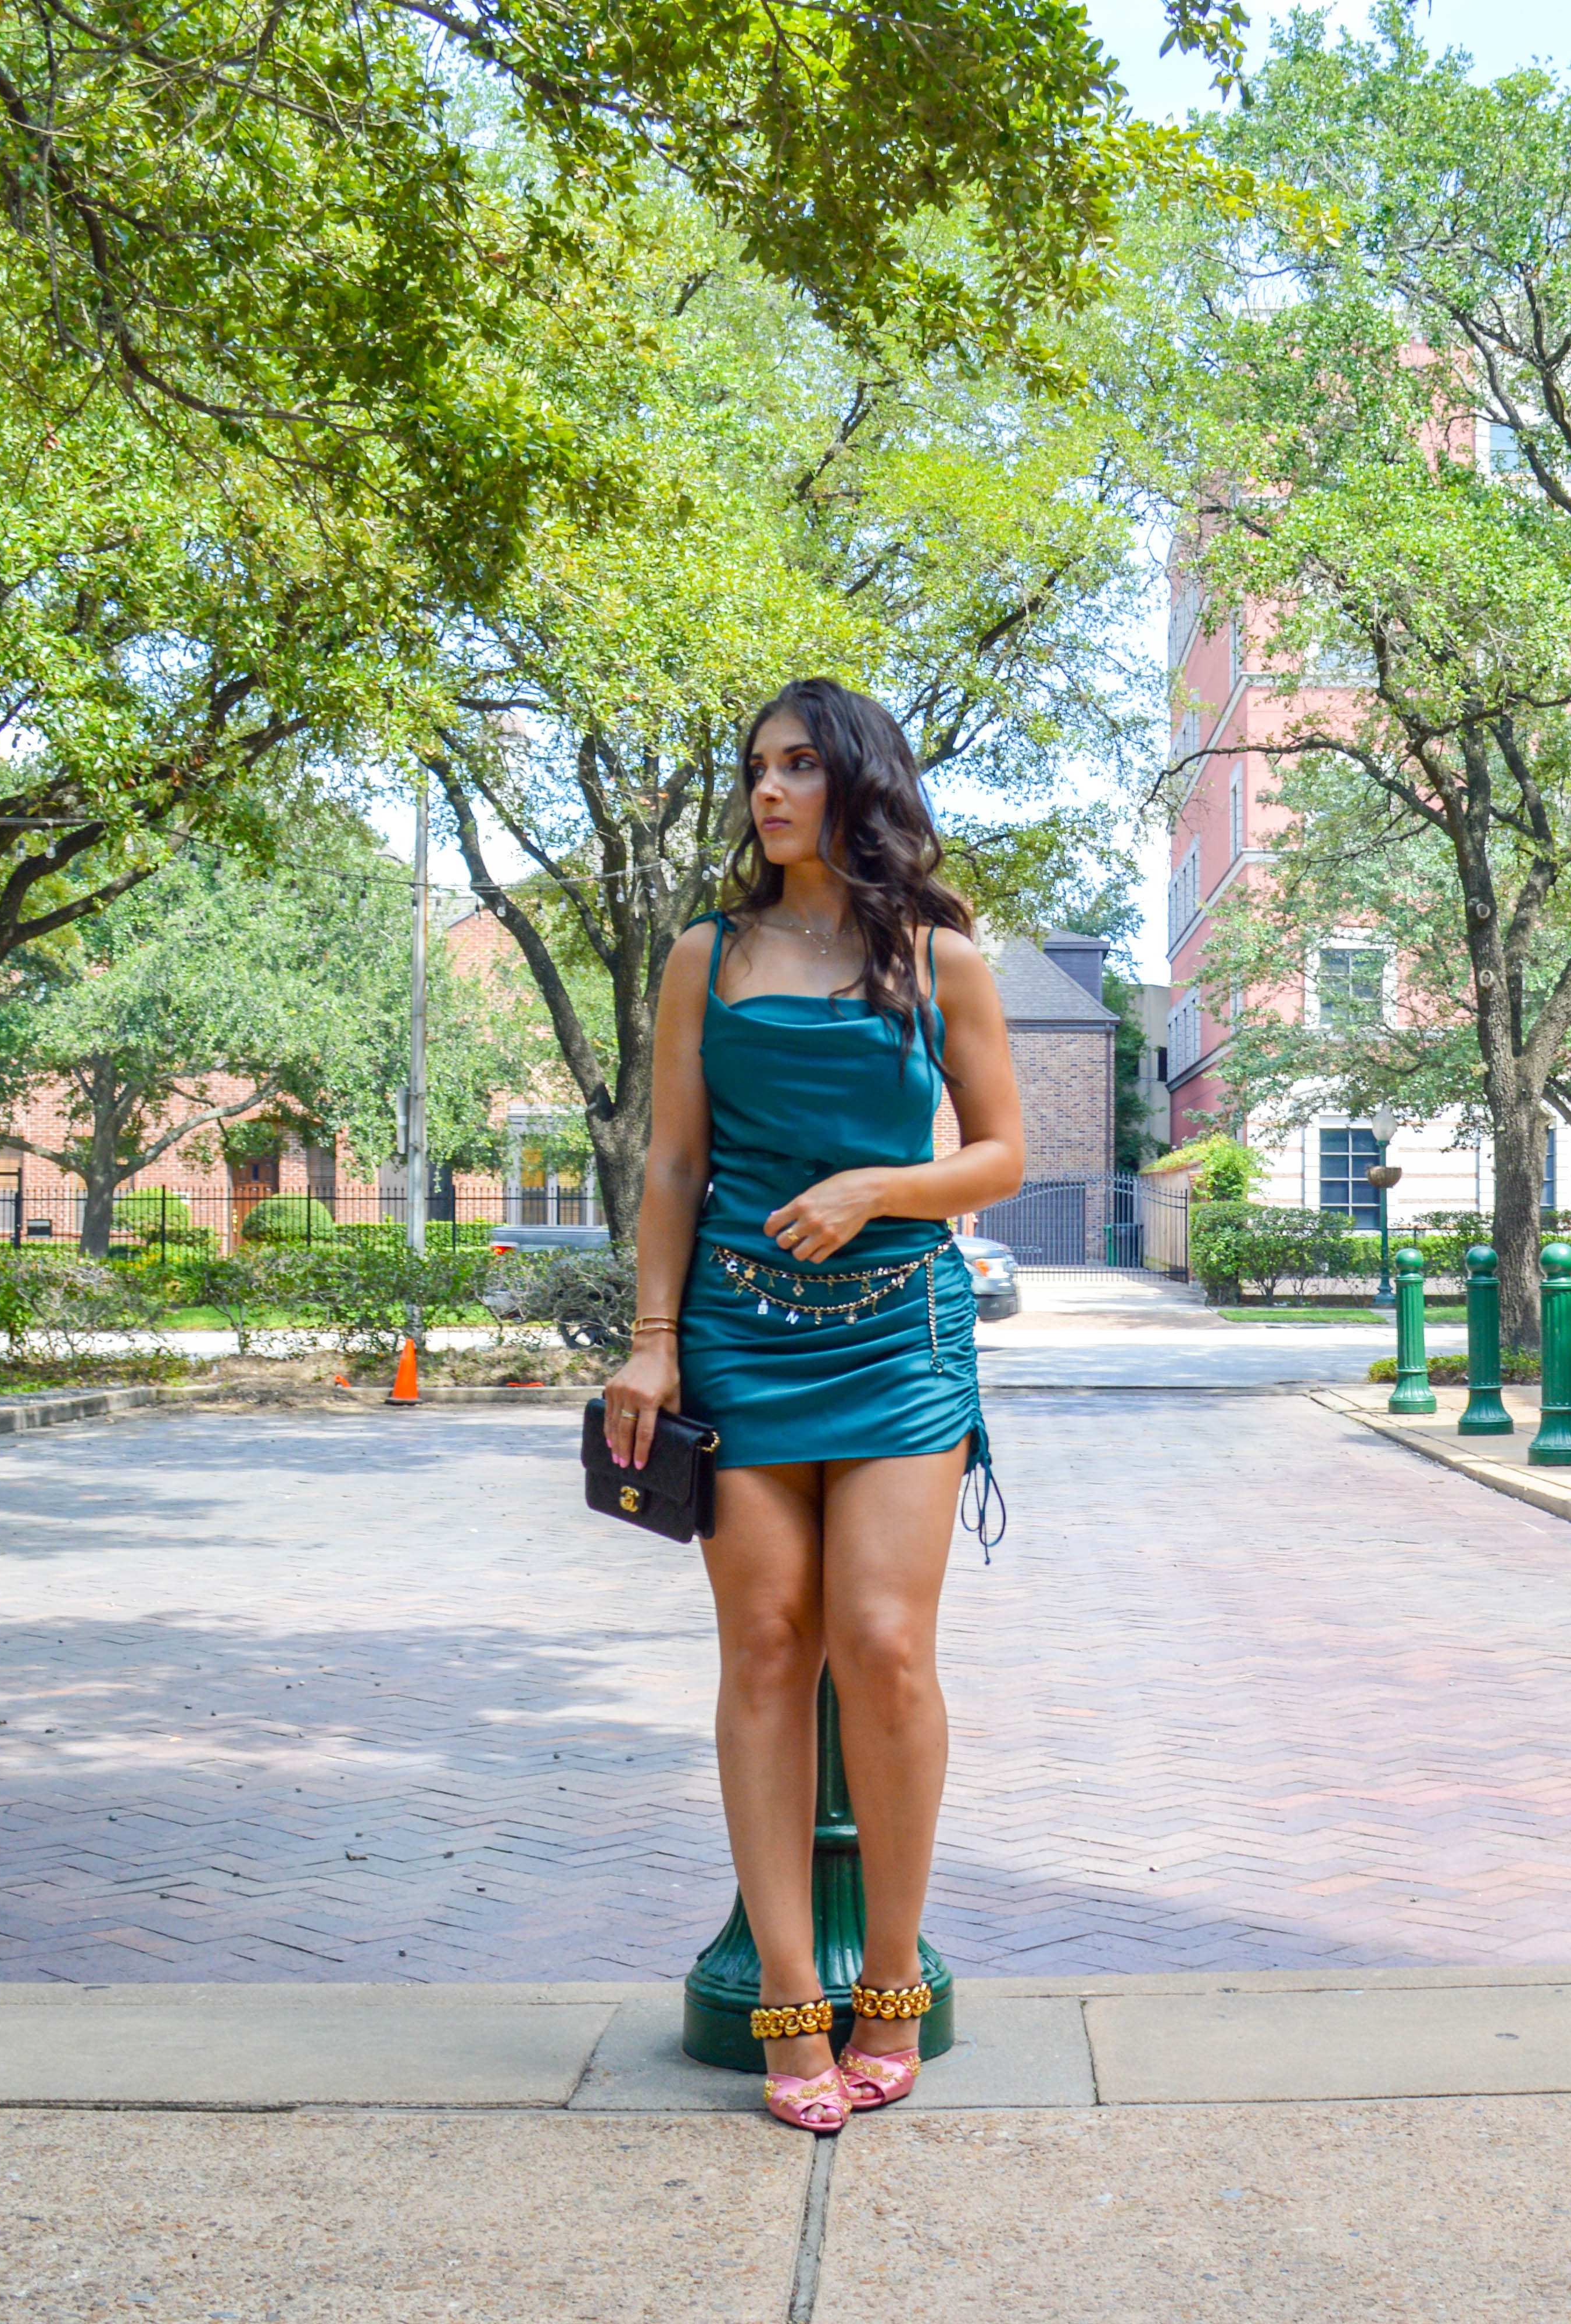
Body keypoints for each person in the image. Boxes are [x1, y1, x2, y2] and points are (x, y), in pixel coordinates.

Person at [598, 677, 1025, 2135]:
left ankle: (889, 1977)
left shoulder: (941, 957)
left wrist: (877, 1188)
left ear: (856, 780)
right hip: (738, 1331)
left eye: (795, 765)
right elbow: (672, 1163)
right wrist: (651, 1343)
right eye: (753, 769)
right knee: (768, 1647)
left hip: (902, 1332)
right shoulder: (704, 955)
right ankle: (791, 1993)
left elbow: (1000, 1154)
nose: (766, 792)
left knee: (884, 1645)